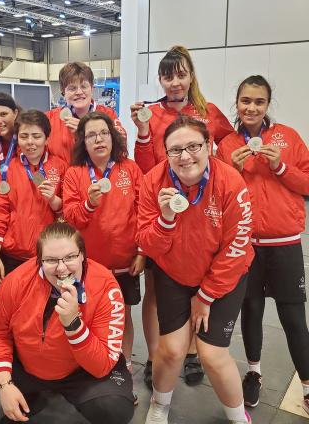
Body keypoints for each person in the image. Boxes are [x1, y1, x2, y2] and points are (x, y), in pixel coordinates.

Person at [0, 221, 135, 424]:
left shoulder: (105, 287)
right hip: (28, 365)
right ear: (39, 261)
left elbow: (101, 366)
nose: (61, 268)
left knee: (115, 409)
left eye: (70, 257)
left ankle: (55, 393)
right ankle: (30, 395)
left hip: (80, 372)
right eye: (50, 260)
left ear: (83, 255)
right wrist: (4, 385)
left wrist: (74, 325)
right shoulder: (17, 281)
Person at [138, 115, 253, 424]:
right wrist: (165, 219)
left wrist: (205, 295)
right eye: (175, 150)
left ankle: (238, 417)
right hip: (174, 273)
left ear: (209, 146)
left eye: (193, 146)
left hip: (223, 275)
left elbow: (237, 246)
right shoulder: (153, 180)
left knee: (212, 356)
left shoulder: (230, 181)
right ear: (165, 152)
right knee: (172, 350)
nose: (185, 156)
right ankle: (159, 405)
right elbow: (148, 245)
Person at [131, 45, 234, 388]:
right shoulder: (150, 113)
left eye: (180, 74)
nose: (174, 82)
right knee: (157, 292)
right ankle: (154, 355)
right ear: (159, 78)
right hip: (163, 218)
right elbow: (146, 169)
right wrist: (144, 134)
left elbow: (231, 148)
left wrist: (226, 159)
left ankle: (190, 352)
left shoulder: (209, 112)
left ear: (190, 76)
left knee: (195, 286)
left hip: (203, 218)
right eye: (167, 75)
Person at [216, 75, 309, 414]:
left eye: (259, 101)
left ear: (267, 105)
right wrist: (231, 168)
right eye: (246, 101)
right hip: (247, 245)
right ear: (237, 103)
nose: (251, 107)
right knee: (251, 310)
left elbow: (307, 182)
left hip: (284, 243)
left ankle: (308, 385)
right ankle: (253, 372)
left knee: (293, 318)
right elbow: (218, 193)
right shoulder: (226, 145)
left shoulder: (288, 138)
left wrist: (279, 165)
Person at [63, 111, 144, 401]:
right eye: (91, 135)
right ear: (82, 142)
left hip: (125, 263)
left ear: (113, 137)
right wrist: (89, 203)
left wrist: (141, 251)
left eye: (104, 133)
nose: (99, 139)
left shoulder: (130, 169)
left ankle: (124, 369)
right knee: (87, 317)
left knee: (123, 318)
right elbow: (71, 217)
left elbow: (143, 212)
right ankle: (91, 369)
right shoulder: (75, 174)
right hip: (89, 267)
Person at [0, 109, 66, 283]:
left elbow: (68, 212)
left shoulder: (60, 167)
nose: (30, 142)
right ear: (18, 138)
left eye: (36, 136)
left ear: (47, 138)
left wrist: (54, 200)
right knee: (12, 308)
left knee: (46, 309)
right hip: (12, 255)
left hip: (49, 255)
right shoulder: (7, 171)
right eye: (24, 136)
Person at [46, 62, 126, 164]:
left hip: (97, 178)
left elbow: (121, 150)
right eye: (72, 88)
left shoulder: (108, 115)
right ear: (63, 91)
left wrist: (85, 133)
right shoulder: (49, 118)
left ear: (91, 88)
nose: (79, 92)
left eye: (84, 86)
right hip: (60, 178)